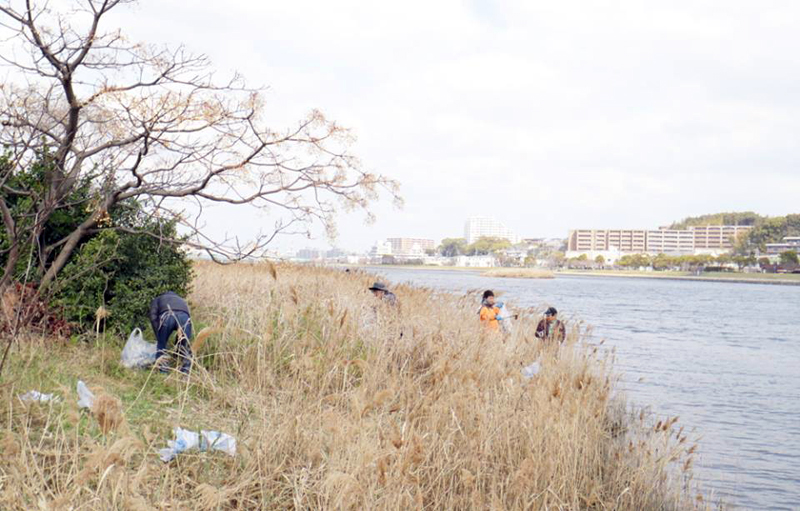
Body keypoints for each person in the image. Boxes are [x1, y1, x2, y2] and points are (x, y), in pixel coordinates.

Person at [148, 291, 193, 373]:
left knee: (161, 345)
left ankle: (163, 370)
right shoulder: (181, 299)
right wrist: (179, 343)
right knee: (185, 344)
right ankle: (185, 371)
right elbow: (188, 316)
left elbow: (153, 316)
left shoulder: (157, 299)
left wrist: (159, 335)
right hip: (184, 317)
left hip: (167, 316)